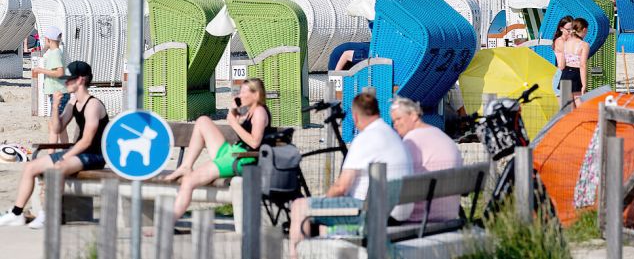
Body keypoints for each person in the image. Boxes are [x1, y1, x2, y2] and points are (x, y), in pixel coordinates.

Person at [289, 89, 412, 258]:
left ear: (355, 116)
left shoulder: (365, 138)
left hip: (372, 211)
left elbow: (341, 186)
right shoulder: (391, 134)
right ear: (377, 111)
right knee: (326, 217)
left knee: (300, 206)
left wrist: (322, 202)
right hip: (397, 210)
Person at [0, 61, 108, 228]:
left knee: (57, 169)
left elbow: (87, 141)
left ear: (80, 80)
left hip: (93, 155)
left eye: (69, 79)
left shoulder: (93, 105)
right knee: (30, 167)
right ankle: (16, 213)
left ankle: (48, 213)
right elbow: (58, 128)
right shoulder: (73, 103)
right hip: (77, 153)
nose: (66, 83)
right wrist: (56, 105)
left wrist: (64, 156)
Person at [163, 78, 272, 221]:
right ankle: (186, 166)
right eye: (240, 91)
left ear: (256, 95)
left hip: (243, 159)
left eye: (245, 92)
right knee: (203, 121)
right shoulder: (249, 110)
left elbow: (255, 142)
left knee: (189, 181)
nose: (240, 95)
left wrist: (233, 123)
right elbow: (240, 129)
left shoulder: (259, 112)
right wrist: (234, 112)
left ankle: (167, 223)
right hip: (234, 152)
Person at [390, 97, 463, 222]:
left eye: (398, 119)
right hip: (449, 212)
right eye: (394, 121)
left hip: (423, 216)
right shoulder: (439, 134)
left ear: (413, 115)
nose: (395, 125)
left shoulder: (411, 141)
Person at [33, 26, 68, 144]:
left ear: (48, 40)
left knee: (54, 125)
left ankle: (52, 151)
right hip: (59, 91)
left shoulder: (55, 53)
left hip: (58, 93)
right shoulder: (57, 51)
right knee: (60, 126)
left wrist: (41, 70)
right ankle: (65, 149)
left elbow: (59, 72)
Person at [557, 18, 589, 101]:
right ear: (584, 29)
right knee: (579, 107)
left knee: (567, 108)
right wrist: (584, 84)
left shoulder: (566, 42)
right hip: (576, 75)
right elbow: (582, 65)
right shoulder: (584, 45)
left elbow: (562, 65)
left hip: (565, 74)